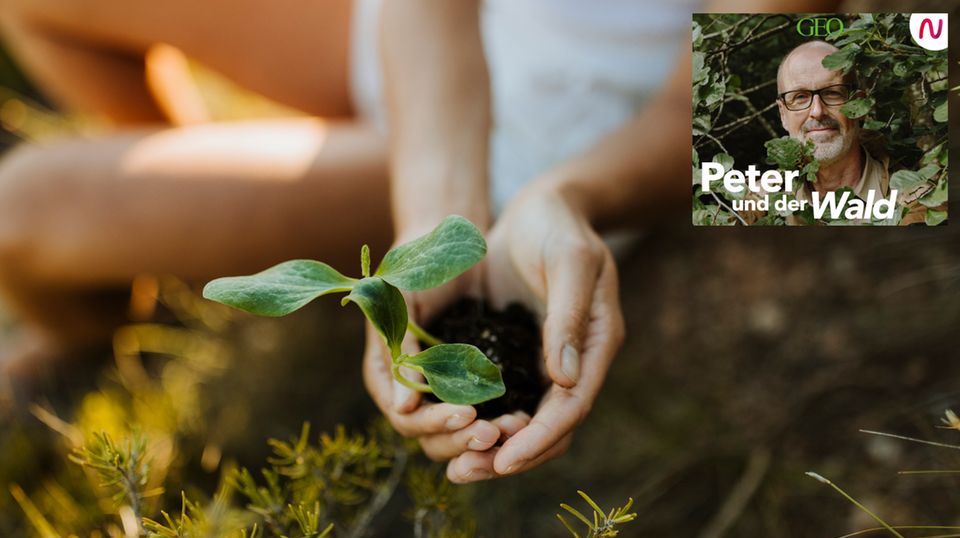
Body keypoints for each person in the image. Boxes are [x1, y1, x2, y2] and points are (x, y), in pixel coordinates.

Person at [0, 0, 837, 481]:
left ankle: (92, 326)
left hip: (561, 134)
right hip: (438, 48)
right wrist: (435, 230)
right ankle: (196, 220)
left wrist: (563, 195)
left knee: (16, 212)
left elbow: (737, 113)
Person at [774, 40, 930, 225]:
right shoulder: (760, 206)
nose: (817, 111)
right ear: (783, 114)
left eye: (833, 93)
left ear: (859, 105)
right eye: (800, 97)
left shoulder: (919, 206)